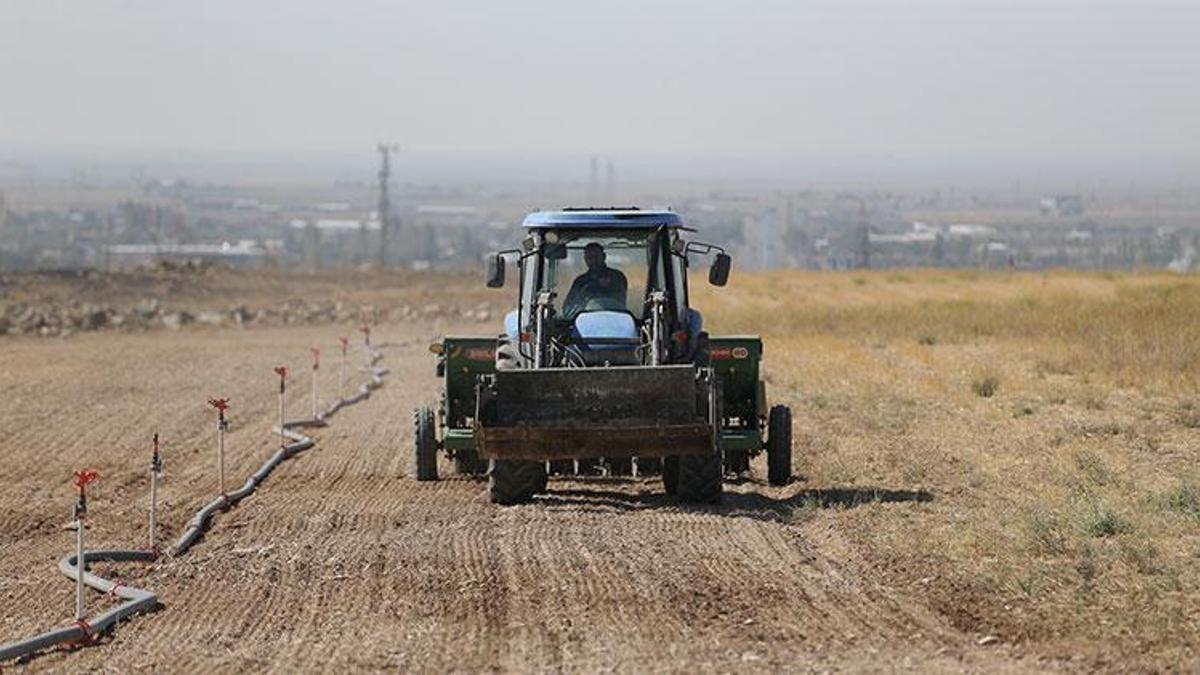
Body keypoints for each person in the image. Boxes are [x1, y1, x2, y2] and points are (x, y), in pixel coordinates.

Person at [563, 242, 627, 317]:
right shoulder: (580, 282)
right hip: (586, 321)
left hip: (615, 319)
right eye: (589, 257)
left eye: (596, 257)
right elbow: (568, 308)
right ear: (585, 259)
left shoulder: (617, 277)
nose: (593, 260)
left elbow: (620, 299)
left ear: (604, 257)